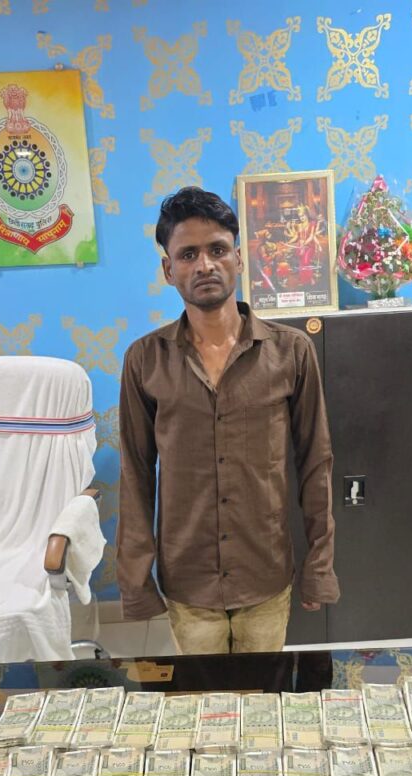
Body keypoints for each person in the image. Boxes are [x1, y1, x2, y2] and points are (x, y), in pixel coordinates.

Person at [117, 186, 339, 655]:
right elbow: (135, 473)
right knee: (203, 695)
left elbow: (315, 462)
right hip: (188, 580)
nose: (205, 265)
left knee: (261, 693)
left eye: (217, 249)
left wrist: (319, 565)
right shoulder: (145, 360)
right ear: (169, 270)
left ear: (238, 258)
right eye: (188, 254)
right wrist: (136, 579)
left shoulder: (291, 352)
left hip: (265, 573)